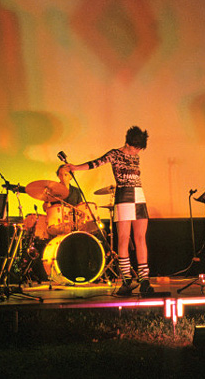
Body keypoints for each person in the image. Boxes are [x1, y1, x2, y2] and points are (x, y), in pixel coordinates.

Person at [64, 126, 154, 295]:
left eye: (139, 149)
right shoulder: (114, 154)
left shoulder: (136, 156)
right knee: (123, 238)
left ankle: (144, 279)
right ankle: (126, 279)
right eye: (135, 148)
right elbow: (95, 163)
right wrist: (75, 167)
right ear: (128, 144)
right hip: (124, 195)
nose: (137, 152)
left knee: (141, 237)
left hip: (139, 195)